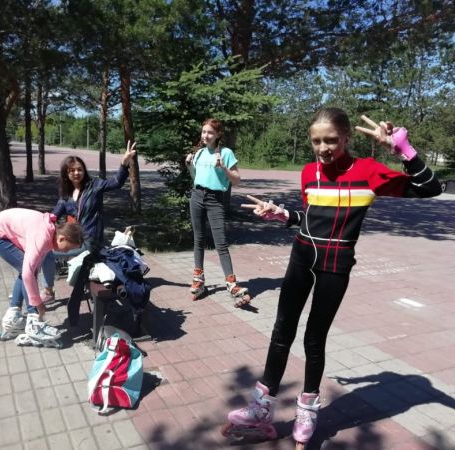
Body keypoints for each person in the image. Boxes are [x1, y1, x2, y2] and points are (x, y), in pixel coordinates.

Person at [223, 108, 442, 445]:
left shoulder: (368, 172)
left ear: (346, 138)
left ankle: (307, 409)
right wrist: (282, 214)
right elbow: (311, 217)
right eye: (316, 141)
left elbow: (430, 188)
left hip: (336, 266)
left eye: (331, 140)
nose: (323, 148)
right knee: (281, 331)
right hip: (301, 257)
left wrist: (403, 149)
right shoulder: (309, 171)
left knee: (314, 338)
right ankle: (261, 407)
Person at [41, 141, 137, 327]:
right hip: (75, 241)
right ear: (66, 174)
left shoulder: (95, 186)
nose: (76, 173)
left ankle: (48, 290)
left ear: (84, 170)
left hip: (92, 242)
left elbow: (116, 182)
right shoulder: (66, 196)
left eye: (79, 169)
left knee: (47, 255)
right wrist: (37, 225)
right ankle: (49, 289)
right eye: (72, 170)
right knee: (45, 253)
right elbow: (52, 217)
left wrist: (124, 163)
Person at [0, 208, 83, 346]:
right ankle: (33, 322)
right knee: (28, 271)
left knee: (28, 269)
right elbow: (28, 273)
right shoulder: (41, 238)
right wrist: (37, 303)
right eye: (68, 248)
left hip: (1, 226)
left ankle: (13, 317)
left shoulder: (50, 233)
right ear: (61, 238)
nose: (66, 252)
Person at [185, 118, 251, 306]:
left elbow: (236, 180)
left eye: (210, 132)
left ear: (218, 135)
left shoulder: (226, 153)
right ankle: (198, 280)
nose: (205, 135)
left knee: (220, 243)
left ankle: (231, 284)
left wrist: (223, 167)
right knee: (198, 239)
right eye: (204, 132)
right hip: (197, 196)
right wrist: (189, 166)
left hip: (215, 199)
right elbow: (196, 178)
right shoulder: (199, 153)